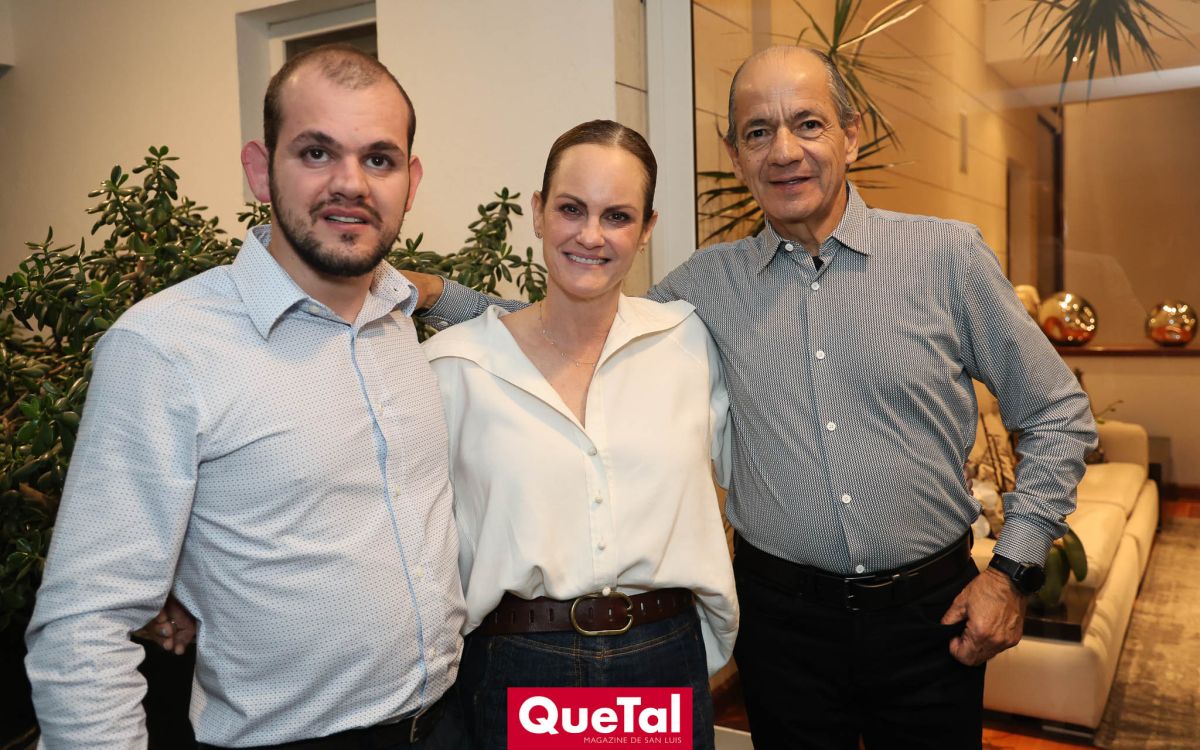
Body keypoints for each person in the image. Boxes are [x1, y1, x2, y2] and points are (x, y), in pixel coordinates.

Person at [408, 46, 1097, 749]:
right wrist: (436, 295)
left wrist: (1011, 572)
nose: (784, 151)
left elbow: (1057, 412)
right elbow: (574, 324)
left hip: (930, 618)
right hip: (782, 630)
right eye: (759, 132)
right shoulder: (705, 288)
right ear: (736, 156)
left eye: (808, 123)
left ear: (852, 135)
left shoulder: (945, 258)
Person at [25, 45, 467, 749]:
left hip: (447, 723)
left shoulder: (399, 317)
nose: (350, 183)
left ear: (409, 182)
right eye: (317, 153)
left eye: (378, 159)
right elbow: (84, 627)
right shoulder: (165, 348)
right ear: (260, 170)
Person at [423, 120, 737, 750]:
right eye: (571, 209)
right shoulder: (454, 367)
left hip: (660, 655)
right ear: (538, 212)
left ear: (647, 230)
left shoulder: (688, 343)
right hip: (520, 661)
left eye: (617, 216)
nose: (591, 235)